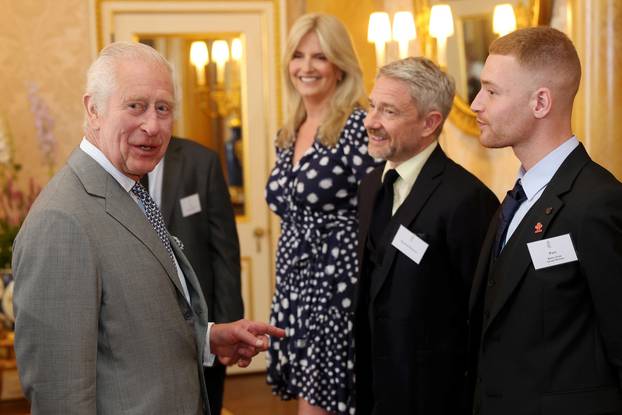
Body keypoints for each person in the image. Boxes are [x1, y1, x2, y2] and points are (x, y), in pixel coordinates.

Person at [12, 41, 284, 415]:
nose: (153, 126)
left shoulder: (128, 188)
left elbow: (128, 328)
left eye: (164, 108)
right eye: (135, 106)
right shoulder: (62, 221)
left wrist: (207, 339)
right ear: (93, 109)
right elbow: (60, 392)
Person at [468, 26, 622, 415]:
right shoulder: (517, 199)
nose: (475, 103)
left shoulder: (597, 202)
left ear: (540, 102)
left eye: (491, 91)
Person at [354, 57, 499, 415]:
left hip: (437, 396)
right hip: (376, 389)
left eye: (387, 111)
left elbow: (481, 315)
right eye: (372, 107)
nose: (371, 122)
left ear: (429, 123)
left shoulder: (467, 199)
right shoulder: (371, 185)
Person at [265, 13, 377, 415]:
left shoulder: (357, 125)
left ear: (340, 65)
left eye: (320, 57)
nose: (306, 67)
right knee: (309, 399)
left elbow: (379, 211)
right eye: (298, 56)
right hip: (296, 285)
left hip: (338, 287)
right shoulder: (290, 130)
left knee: (328, 403)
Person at [142, 136, 244, 415]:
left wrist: (229, 322)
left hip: (201, 323)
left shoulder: (202, 162)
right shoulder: (113, 164)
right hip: (141, 324)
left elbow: (225, 252)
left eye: (162, 107)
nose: (152, 119)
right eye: (138, 105)